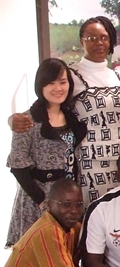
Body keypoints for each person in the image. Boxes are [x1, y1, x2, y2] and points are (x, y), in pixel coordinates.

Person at [24, 16, 120, 207]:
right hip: (88, 165)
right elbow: (44, 105)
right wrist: (15, 119)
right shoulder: (70, 75)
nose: (99, 42)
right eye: (92, 38)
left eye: (104, 37)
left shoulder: (119, 76)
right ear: (82, 41)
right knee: (89, 221)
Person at [6, 58, 86, 247]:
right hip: (37, 202)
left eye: (62, 82)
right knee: (37, 260)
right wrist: (42, 202)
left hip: (67, 203)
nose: (58, 88)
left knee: (65, 256)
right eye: (51, 83)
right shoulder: (27, 120)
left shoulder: (72, 118)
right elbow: (18, 167)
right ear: (40, 85)